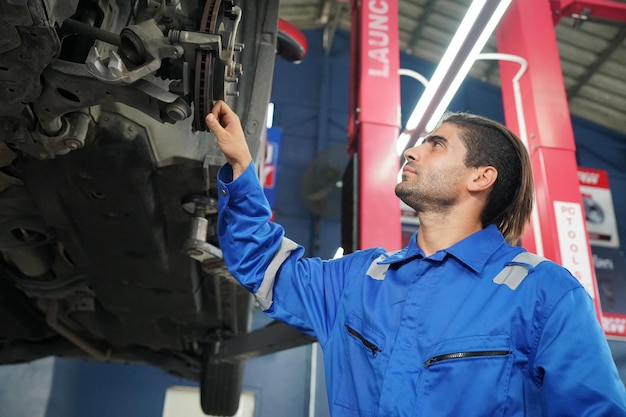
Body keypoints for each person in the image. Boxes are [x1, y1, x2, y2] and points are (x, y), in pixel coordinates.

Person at [205, 100, 626, 416]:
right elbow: (264, 265)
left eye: (436, 145)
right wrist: (242, 166)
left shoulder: (544, 294)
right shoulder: (360, 279)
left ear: (480, 177)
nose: (412, 152)